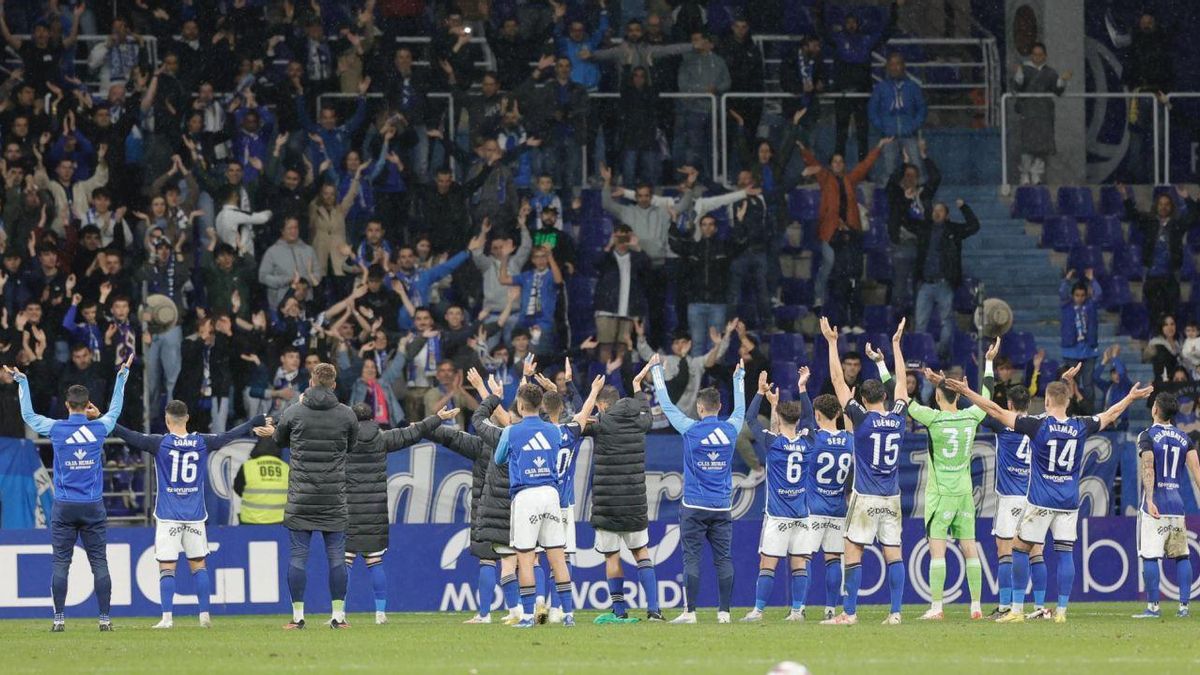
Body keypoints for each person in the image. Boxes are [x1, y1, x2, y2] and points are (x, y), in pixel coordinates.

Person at [943, 365, 1153, 623]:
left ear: (1047, 401)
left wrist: (966, 391)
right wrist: (1131, 397)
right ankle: (1061, 611)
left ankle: (1017, 610)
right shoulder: (1080, 425)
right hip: (1069, 501)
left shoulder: (1037, 425)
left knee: (1019, 549)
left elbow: (996, 410)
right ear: (1067, 400)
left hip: (1041, 499)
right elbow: (1110, 414)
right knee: (1065, 552)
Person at [111, 402, 269, 629]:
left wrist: (105, 420)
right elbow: (229, 435)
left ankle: (167, 618)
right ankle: (204, 615)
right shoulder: (202, 441)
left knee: (167, 566)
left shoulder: (159, 443)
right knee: (199, 564)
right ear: (187, 418)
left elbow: (130, 436)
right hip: (195, 515)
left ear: (167, 419)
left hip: (168, 515)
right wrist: (253, 422)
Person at [9, 355, 131, 632]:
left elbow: (27, 415)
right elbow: (115, 409)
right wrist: (121, 376)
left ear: (66, 405)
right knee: (99, 561)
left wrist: (22, 381)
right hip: (92, 505)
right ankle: (104, 620)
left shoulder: (55, 428)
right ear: (88, 406)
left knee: (61, 562)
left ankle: (59, 619)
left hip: (64, 505)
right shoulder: (99, 427)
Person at [901, 338, 998, 621]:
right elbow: (987, 395)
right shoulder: (972, 416)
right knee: (970, 548)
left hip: (941, 492)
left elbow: (899, 398)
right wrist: (989, 361)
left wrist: (885, 366)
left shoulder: (932, 418)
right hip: (965, 492)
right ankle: (976, 606)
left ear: (937, 397)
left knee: (938, 551)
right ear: (957, 396)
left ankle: (937, 607)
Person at [819, 317, 908, 626]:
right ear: (883, 397)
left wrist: (832, 343)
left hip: (866, 496)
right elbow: (902, 385)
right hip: (892, 497)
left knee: (853, 550)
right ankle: (896, 613)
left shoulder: (861, 419)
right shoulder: (898, 417)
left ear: (862, 399)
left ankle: (850, 613)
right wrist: (896, 346)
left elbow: (837, 381)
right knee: (893, 554)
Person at [492, 379, 601, 629]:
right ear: (540, 404)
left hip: (525, 496)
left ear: (520, 406)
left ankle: (529, 616)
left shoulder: (511, 431)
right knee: (558, 558)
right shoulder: (554, 431)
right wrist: (591, 391)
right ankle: (568, 615)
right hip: (551, 495)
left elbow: (499, 458)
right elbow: (578, 423)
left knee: (526, 558)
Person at [651, 353, 746, 624]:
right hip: (722, 506)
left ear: (701, 408)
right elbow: (740, 410)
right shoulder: (730, 429)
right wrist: (739, 378)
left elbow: (667, 406)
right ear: (719, 407)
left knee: (691, 558)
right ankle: (724, 613)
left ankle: (690, 612)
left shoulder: (690, 429)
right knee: (723, 559)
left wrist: (657, 372)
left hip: (693, 506)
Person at [344, 402, 459, 625]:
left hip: (348, 508)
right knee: (375, 560)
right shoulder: (382, 438)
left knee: (345, 562)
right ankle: (380, 614)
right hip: (375, 509)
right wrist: (438, 417)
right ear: (372, 418)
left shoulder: (343, 440)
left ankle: (338, 613)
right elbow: (415, 432)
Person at [270, 362, 359, 630]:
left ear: (311, 382)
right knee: (337, 557)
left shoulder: (294, 411)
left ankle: (298, 618)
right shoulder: (346, 415)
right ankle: (338, 617)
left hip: (301, 497)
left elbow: (278, 439)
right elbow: (351, 445)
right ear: (333, 384)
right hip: (333, 497)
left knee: (298, 557)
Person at [587, 361, 664, 624]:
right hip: (634, 502)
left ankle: (619, 612)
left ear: (602, 405)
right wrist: (637, 387)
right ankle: (654, 610)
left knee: (612, 556)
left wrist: (586, 394)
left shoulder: (600, 423)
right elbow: (649, 416)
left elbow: (577, 424)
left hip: (607, 505)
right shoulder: (639, 421)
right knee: (641, 552)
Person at [741, 369, 814, 622]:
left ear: (779, 419)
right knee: (799, 566)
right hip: (802, 516)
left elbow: (750, 420)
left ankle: (758, 611)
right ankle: (796, 611)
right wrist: (802, 389)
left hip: (778, 515)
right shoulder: (808, 442)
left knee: (767, 564)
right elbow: (811, 420)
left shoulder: (774, 443)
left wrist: (760, 393)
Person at [980, 384, 1047, 620]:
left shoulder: (1001, 423)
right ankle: (1039, 607)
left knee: (1004, 551)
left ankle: (1006, 605)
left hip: (1009, 497)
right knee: (1036, 551)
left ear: (1009, 405)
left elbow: (981, 410)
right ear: (1029, 405)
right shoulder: (1039, 423)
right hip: (1033, 496)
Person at [800, 137, 887, 313]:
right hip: (830, 231)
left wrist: (878, 147)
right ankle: (819, 297)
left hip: (849, 232)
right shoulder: (825, 178)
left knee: (848, 271)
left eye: (841, 161)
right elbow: (813, 163)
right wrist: (803, 150)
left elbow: (864, 166)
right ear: (831, 165)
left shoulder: (850, 179)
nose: (838, 164)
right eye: (835, 162)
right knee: (829, 263)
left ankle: (845, 306)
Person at [1133, 392, 1200, 619]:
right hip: (1177, 504)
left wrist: (1150, 499)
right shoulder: (1185, 438)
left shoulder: (1147, 435)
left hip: (1157, 505)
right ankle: (1184, 607)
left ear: (1155, 410)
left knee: (1150, 556)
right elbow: (1197, 473)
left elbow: (1148, 466)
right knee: (1182, 555)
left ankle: (1153, 607)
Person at [1120, 184, 1200, 327]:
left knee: (1172, 314)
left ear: (1171, 207)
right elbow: (1133, 215)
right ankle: (1155, 343)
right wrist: (1126, 196)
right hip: (1151, 275)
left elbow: (1195, 216)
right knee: (1154, 314)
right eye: (1161, 204)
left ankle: (1170, 344)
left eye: (1167, 204)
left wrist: (1187, 198)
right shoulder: (1149, 223)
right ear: (1156, 206)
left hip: (1171, 276)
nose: (1163, 207)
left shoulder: (1177, 224)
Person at [912, 198, 980, 362]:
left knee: (946, 322)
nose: (937, 212)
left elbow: (974, 226)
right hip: (925, 283)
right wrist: (909, 200)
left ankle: (940, 354)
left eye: (941, 210)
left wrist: (964, 207)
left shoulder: (953, 230)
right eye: (935, 210)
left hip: (944, 283)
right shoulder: (925, 229)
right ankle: (921, 355)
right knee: (920, 323)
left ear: (947, 215)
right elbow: (906, 221)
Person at [1012, 43, 1071, 185]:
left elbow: (1058, 90)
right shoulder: (1024, 70)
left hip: (1044, 113)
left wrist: (1062, 80)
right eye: (1035, 54)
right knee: (1027, 146)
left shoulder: (1050, 72)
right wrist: (1018, 73)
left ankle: (1036, 174)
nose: (1037, 57)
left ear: (1045, 56)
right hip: (1028, 112)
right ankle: (1025, 175)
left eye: (1040, 55)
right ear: (1031, 55)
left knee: (1042, 147)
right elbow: (1017, 86)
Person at [869, 52, 926, 181]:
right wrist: (883, 126)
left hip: (909, 135)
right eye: (892, 64)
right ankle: (890, 198)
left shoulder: (913, 87)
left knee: (917, 167)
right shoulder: (881, 88)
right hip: (889, 136)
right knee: (889, 170)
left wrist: (914, 125)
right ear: (888, 67)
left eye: (898, 64)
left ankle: (921, 197)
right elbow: (872, 110)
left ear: (903, 66)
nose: (895, 67)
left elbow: (922, 109)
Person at [1059, 269, 1103, 405]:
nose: (1079, 298)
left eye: (1082, 295)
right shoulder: (1066, 307)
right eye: (1077, 295)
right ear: (1072, 295)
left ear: (1086, 295)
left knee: (1088, 382)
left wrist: (1092, 279)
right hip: (1071, 351)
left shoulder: (1090, 306)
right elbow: (1062, 293)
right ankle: (1072, 410)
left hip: (1088, 350)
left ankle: (1088, 411)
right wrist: (1067, 280)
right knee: (1072, 382)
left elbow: (1099, 294)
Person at [233, 436, 290, 525]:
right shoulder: (286, 468)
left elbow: (238, 488)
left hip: (251, 521)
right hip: (280, 522)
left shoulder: (248, 466)